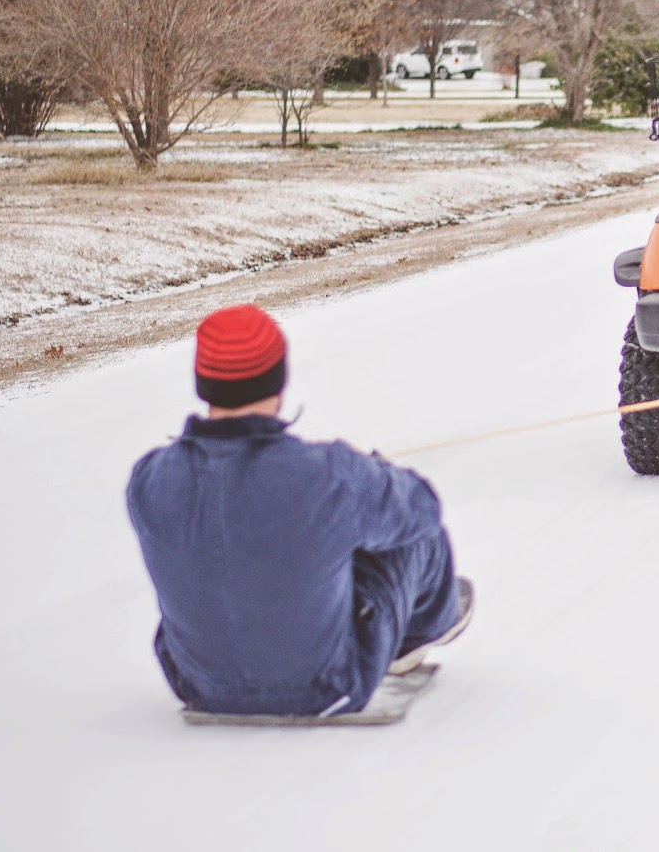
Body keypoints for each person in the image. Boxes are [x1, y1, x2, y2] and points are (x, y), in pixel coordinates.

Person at [126, 304, 473, 717]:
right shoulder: (328, 475)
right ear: (278, 378)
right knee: (411, 532)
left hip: (196, 685)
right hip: (329, 687)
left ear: (204, 383)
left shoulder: (149, 479)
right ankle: (419, 634)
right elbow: (422, 508)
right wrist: (374, 473)